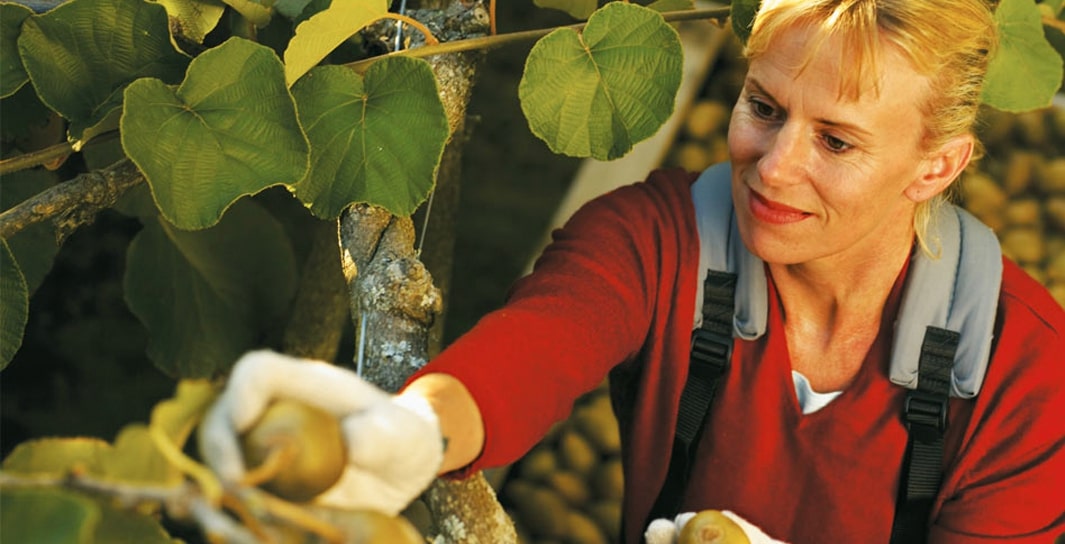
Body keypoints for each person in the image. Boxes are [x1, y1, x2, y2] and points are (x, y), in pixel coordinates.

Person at [200, 0, 1065, 542]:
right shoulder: (660, 236)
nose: (770, 167)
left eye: (835, 141)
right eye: (762, 108)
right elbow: (533, 347)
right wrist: (409, 431)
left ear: (935, 168)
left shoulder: (1029, 379)